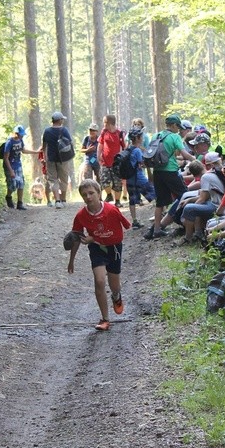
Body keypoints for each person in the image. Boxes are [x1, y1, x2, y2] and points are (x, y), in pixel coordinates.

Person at [66, 179, 132, 331]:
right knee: (100, 280)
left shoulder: (111, 210)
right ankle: (105, 319)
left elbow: (120, 233)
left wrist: (94, 237)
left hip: (114, 248)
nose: (88, 197)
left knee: (114, 284)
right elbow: (76, 238)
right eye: (84, 195)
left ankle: (116, 296)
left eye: (91, 193)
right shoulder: (81, 215)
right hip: (96, 249)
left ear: (99, 193)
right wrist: (71, 261)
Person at [145, 114, 197, 240]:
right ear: (173, 125)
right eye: (177, 126)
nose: (178, 129)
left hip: (157, 171)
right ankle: (189, 224)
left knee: (160, 202)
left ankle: (157, 230)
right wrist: (195, 159)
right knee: (185, 195)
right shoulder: (174, 137)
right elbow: (184, 153)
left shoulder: (156, 135)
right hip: (171, 171)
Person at [176, 152, 225, 246]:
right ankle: (198, 234)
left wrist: (185, 214)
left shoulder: (205, 177)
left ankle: (188, 238)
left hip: (217, 206)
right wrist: (189, 200)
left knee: (189, 209)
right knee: (194, 206)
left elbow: (202, 199)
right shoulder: (215, 172)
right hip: (220, 204)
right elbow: (205, 197)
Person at [41, 111, 75, 209]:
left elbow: (44, 146)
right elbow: (70, 143)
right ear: (59, 120)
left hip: (50, 159)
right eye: (62, 119)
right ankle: (63, 199)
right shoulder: (64, 130)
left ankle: (57, 201)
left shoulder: (47, 131)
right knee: (63, 178)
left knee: (53, 179)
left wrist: (45, 157)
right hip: (63, 159)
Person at [125, 128, 156, 229]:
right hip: (140, 179)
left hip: (129, 179)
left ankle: (134, 221)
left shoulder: (128, 149)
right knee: (155, 195)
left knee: (132, 200)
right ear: (138, 138)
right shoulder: (137, 150)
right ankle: (161, 215)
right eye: (141, 136)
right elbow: (141, 164)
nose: (143, 138)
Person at [3, 125, 38, 210]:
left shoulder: (20, 140)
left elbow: (23, 150)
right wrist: (11, 171)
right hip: (10, 166)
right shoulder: (9, 142)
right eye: (20, 134)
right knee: (12, 185)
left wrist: (35, 152)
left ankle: (20, 203)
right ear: (16, 133)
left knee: (21, 183)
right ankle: (8, 197)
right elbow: (6, 157)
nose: (22, 136)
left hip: (18, 165)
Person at [96, 114, 126, 205]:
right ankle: (109, 195)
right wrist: (98, 156)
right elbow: (100, 145)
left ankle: (117, 201)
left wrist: (123, 160)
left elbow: (124, 147)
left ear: (109, 123)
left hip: (116, 162)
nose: (103, 124)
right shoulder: (104, 132)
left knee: (117, 183)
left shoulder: (119, 133)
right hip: (105, 161)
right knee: (104, 180)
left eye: (105, 122)